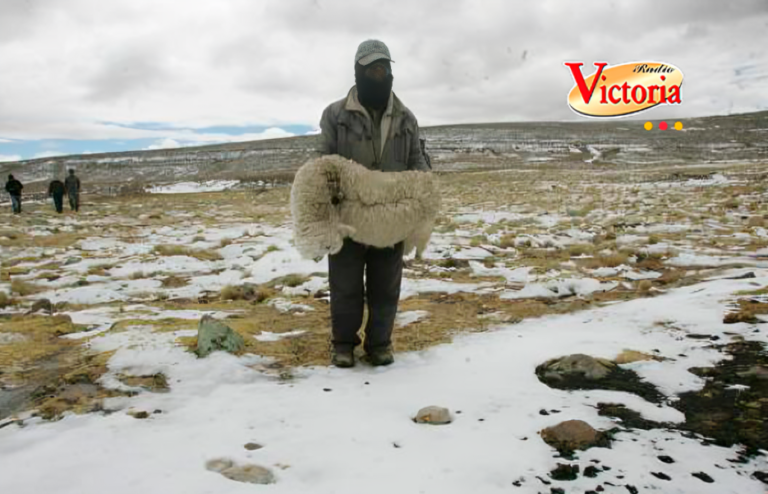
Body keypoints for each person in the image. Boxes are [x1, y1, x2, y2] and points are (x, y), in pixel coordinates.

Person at [318, 39, 430, 368]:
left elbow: (417, 162)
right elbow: (322, 160)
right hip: (348, 217)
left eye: (383, 69)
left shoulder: (406, 119)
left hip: (390, 218)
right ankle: (343, 344)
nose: (378, 75)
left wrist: (423, 192)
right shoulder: (335, 115)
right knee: (345, 285)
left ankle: (379, 344)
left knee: (385, 286)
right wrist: (329, 196)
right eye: (372, 69)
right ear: (358, 72)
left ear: (391, 72)